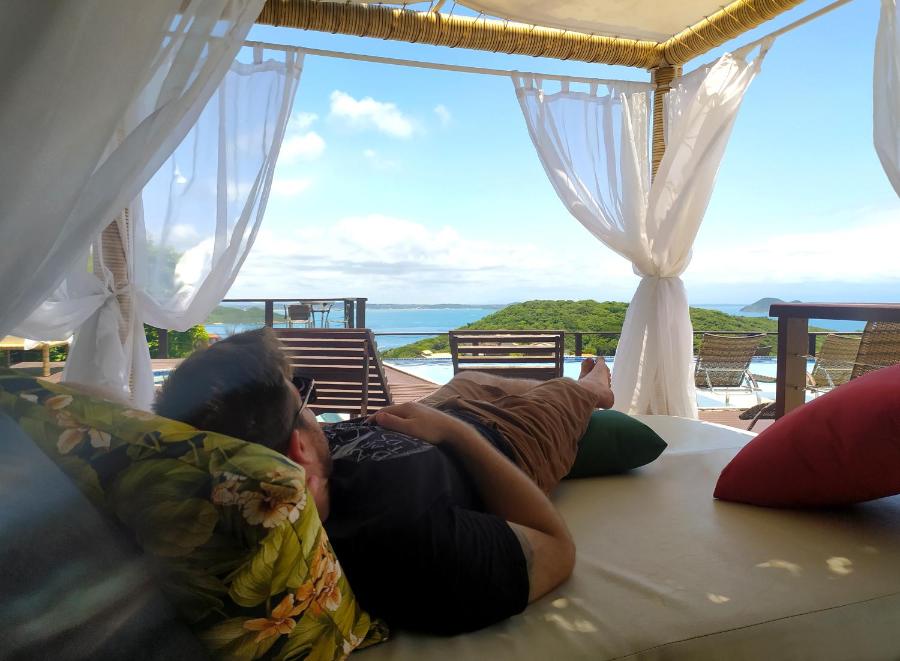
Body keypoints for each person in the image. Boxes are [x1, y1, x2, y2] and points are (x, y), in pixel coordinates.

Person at [154, 328, 613, 635]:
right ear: (299, 450)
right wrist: (454, 432)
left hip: (420, 417)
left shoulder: (248, 467)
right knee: (565, 393)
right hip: (505, 442)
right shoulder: (410, 546)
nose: (312, 407)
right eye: (304, 400)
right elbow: (558, 550)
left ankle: (539, 390)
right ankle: (594, 387)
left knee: (470, 378)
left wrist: (432, 416)